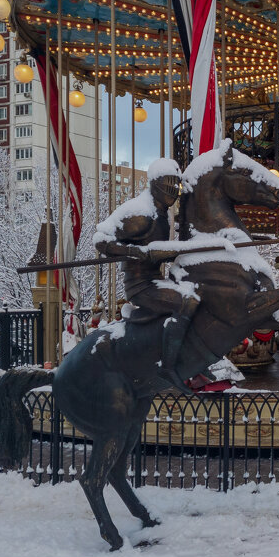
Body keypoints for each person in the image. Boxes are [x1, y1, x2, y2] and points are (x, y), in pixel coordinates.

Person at [94, 158, 196, 394]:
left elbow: (158, 252)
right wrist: (135, 252)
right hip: (140, 285)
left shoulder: (161, 214)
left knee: (194, 290)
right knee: (186, 302)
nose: (172, 193)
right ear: (155, 184)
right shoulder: (140, 214)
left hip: (155, 279)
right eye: (168, 186)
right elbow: (100, 239)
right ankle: (169, 367)